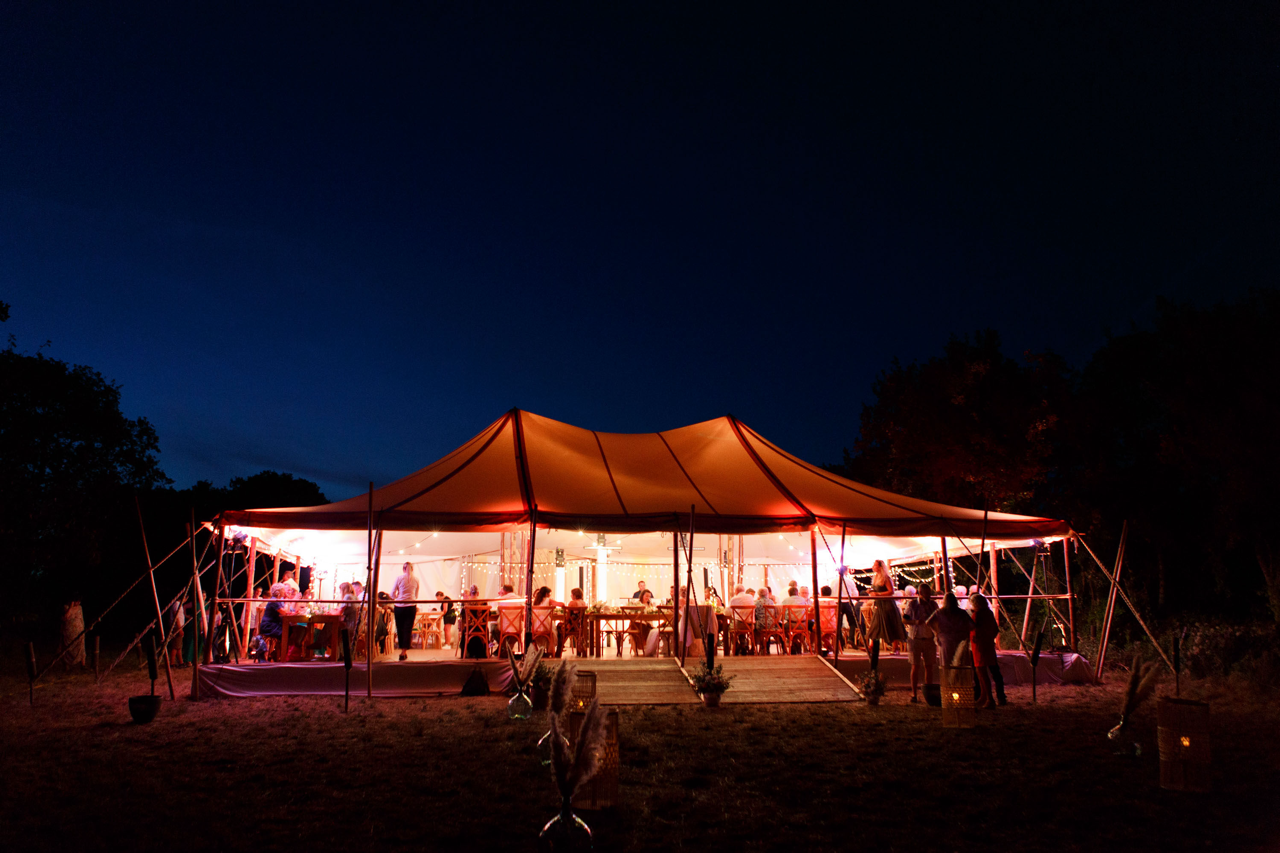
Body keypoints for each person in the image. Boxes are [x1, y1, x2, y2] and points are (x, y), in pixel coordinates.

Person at [862, 560, 907, 671]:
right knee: (876, 624)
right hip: (879, 604)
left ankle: (895, 647)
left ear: (880, 567)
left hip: (887, 604)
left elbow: (891, 591)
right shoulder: (875, 578)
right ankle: (872, 646)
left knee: (891, 624)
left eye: (875, 565)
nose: (873, 567)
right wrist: (871, 591)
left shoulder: (886, 578)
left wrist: (878, 594)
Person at [903, 584, 939, 704]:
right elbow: (904, 619)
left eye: (929, 593)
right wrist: (915, 622)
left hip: (929, 638)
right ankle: (914, 693)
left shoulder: (933, 604)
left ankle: (928, 694)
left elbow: (938, 618)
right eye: (925, 593)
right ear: (920, 593)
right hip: (915, 637)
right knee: (915, 666)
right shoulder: (913, 604)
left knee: (929, 666)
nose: (928, 596)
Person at [970, 592, 1005, 708]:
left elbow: (973, 628)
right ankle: (984, 696)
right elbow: (995, 629)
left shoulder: (977, 615)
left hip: (979, 646)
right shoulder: (989, 613)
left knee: (982, 672)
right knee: (986, 671)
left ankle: (989, 698)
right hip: (988, 645)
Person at [926, 592, 975, 672]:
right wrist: (965, 631)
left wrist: (936, 632)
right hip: (960, 639)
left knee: (946, 662)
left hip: (945, 638)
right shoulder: (962, 612)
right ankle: (960, 681)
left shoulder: (939, 612)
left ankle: (947, 681)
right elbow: (972, 625)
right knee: (960, 662)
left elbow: (928, 622)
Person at [392, 561, 419, 661]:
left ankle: (402, 650)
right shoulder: (416, 579)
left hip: (399, 606)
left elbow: (391, 593)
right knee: (408, 629)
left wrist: (398, 596)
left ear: (403, 569)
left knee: (400, 628)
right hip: (411, 606)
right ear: (412, 569)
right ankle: (404, 651)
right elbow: (416, 596)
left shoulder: (399, 578)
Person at [556, 588, 588, 656]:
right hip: (580, 626)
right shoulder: (583, 603)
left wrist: (565, 621)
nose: (571, 596)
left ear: (574, 595)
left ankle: (559, 650)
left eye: (572, 594)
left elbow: (568, 617)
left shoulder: (572, 603)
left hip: (571, 626)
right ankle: (580, 653)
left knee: (559, 626)